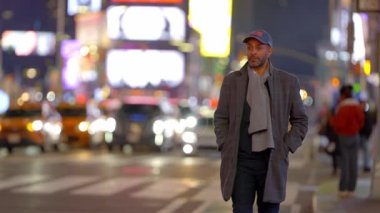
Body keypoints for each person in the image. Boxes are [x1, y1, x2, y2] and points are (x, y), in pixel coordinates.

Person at [214, 29, 308, 213]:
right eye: (250, 48)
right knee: (240, 209)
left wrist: (286, 146)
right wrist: (225, 144)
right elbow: (221, 117)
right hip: (241, 162)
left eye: (258, 48)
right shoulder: (232, 81)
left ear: (269, 51)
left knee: (269, 210)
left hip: (271, 161)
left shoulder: (287, 82)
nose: (253, 52)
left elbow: (300, 120)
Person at [329, 85, 364, 198]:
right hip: (355, 136)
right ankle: (352, 188)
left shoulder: (342, 108)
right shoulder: (357, 106)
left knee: (345, 163)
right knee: (354, 163)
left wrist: (333, 123)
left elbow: (338, 123)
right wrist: (356, 128)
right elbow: (361, 121)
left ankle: (343, 188)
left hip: (344, 136)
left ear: (343, 95)